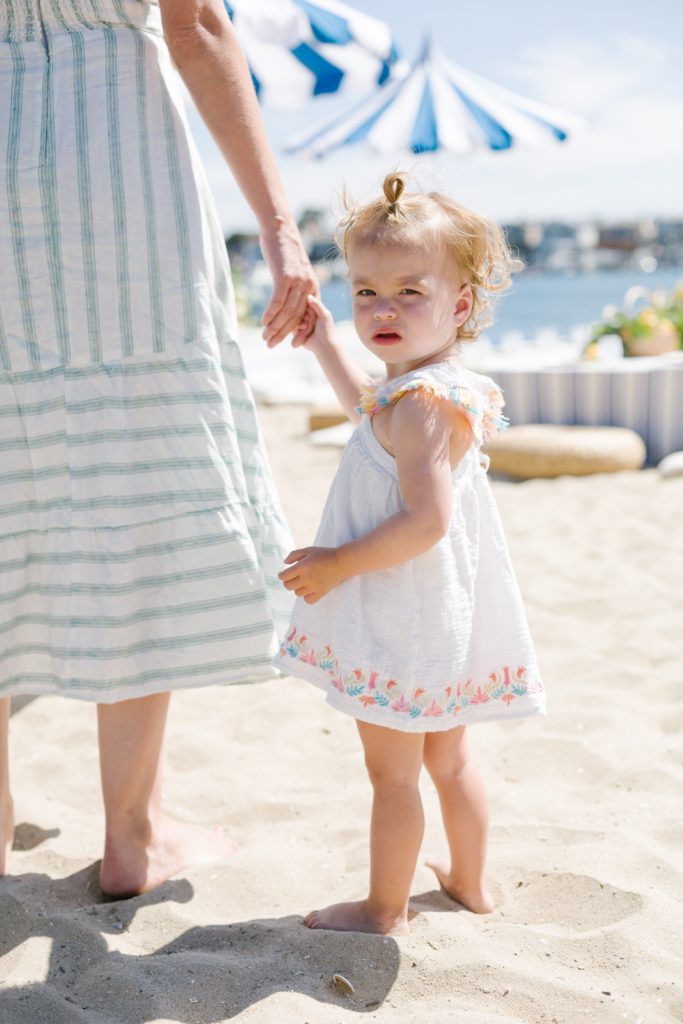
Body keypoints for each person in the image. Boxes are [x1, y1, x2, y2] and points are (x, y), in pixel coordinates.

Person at [0, 0, 317, 895]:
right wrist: (279, 227)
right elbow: (196, 27)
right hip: (118, 152)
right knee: (137, 459)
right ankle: (133, 833)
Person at [274, 172, 546, 935]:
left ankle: (382, 908)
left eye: (407, 292)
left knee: (391, 775)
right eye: (366, 292)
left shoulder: (422, 407)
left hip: (405, 622)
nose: (382, 309)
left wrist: (337, 563)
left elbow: (426, 521)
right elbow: (364, 407)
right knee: (449, 761)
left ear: (459, 305)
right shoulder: (425, 389)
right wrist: (324, 339)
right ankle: (470, 883)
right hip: (442, 619)